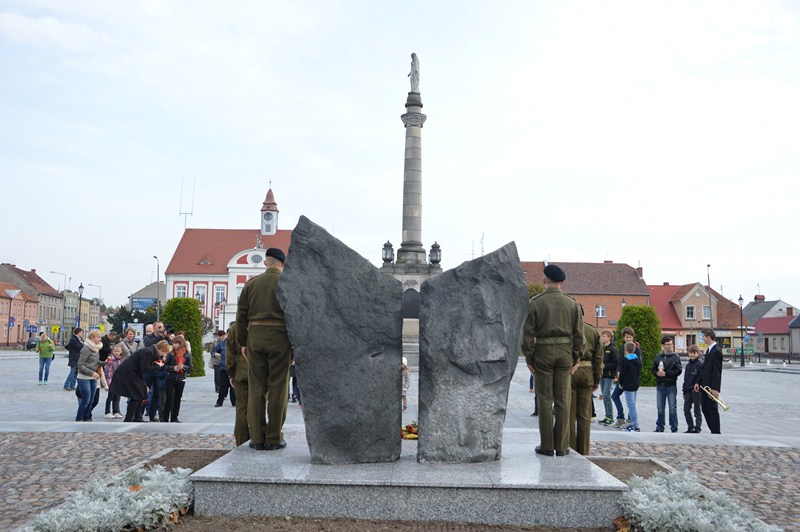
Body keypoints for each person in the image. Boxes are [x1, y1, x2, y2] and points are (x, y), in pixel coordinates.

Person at [521, 263, 584, 457]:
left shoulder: (536, 302)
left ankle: (547, 446)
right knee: (564, 400)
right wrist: (576, 357)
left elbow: (528, 333)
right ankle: (562, 446)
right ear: (562, 282)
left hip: (542, 353)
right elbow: (579, 335)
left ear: (544, 280)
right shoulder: (572, 303)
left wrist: (529, 357)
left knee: (545, 400)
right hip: (565, 353)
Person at [237, 247, 292, 451]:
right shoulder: (288, 284)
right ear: (282, 264)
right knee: (278, 388)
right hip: (280, 337)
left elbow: (241, 316)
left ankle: (257, 438)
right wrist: (294, 346)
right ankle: (274, 437)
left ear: (265, 262)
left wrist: (243, 342)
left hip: (255, 337)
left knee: (256, 388)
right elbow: (295, 316)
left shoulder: (251, 284)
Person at [110, 340, 170, 422]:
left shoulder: (151, 351)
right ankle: (129, 419)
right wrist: (157, 366)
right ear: (161, 350)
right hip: (128, 372)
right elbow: (145, 368)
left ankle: (137, 417)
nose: (164, 355)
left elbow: (143, 368)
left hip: (132, 372)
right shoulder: (149, 352)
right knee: (136, 395)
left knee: (140, 393)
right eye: (164, 352)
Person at [569, 320, 602, 455]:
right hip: (588, 372)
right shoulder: (592, 330)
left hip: (570, 371)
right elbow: (599, 357)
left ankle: (569, 448)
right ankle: (583, 450)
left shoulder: (567, 328)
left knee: (569, 413)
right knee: (584, 415)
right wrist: (597, 378)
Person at [226, 322, 252, 446]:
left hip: (241, 370)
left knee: (242, 408)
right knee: (258, 407)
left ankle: (241, 441)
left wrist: (231, 373)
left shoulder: (235, 328)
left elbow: (230, 354)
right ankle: (256, 439)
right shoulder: (258, 324)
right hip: (259, 370)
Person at [611, 327, 641, 428]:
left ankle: (631, 421)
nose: (628, 339)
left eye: (630, 337)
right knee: (615, 396)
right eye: (627, 337)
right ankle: (620, 418)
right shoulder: (622, 348)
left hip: (630, 379)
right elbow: (620, 361)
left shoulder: (636, 349)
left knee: (631, 402)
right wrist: (618, 371)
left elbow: (638, 365)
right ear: (624, 338)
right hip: (622, 377)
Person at [652, 335, 682, 433]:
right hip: (660, 385)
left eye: (671, 344)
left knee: (672, 408)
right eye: (668, 344)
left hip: (671, 385)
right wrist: (656, 373)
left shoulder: (675, 356)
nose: (670, 346)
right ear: (663, 345)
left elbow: (679, 370)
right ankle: (660, 426)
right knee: (660, 408)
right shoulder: (658, 356)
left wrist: (667, 374)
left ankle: (674, 427)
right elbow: (653, 369)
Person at [696, 328, 723, 434]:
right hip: (704, 385)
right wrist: (698, 382)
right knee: (705, 409)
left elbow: (717, 371)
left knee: (712, 410)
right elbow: (704, 369)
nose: (702, 339)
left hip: (711, 387)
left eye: (703, 336)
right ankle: (713, 430)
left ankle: (716, 432)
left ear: (708, 337)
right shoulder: (709, 349)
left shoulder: (716, 351)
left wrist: (715, 388)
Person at [75, 329, 103, 422]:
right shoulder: (86, 348)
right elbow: (80, 365)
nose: (100, 339)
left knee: (91, 400)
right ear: (92, 337)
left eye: (100, 337)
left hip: (93, 377)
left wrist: (103, 362)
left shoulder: (96, 348)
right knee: (86, 400)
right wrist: (92, 372)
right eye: (98, 337)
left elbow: (93, 362)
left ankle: (87, 417)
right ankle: (79, 418)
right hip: (84, 377)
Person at [163, 334, 192, 422]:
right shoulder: (171, 354)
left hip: (181, 378)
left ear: (181, 344)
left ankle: (174, 418)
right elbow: (165, 366)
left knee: (177, 399)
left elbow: (190, 368)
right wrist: (173, 368)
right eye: (174, 343)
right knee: (169, 399)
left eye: (177, 343)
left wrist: (183, 367)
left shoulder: (187, 354)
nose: (175, 345)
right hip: (170, 378)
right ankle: (165, 418)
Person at [618, 341, 641, 432]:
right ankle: (633, 424)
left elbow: (622, 373)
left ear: (625, 349)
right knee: (633, 405)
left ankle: (635, 425)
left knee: (631, 406)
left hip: (628, 384)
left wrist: (621, 383)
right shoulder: (637, 359)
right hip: (635, 383)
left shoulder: (624, 360)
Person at [598, 330, 618, 426]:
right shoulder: (602, 348)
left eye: (604, 336)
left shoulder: (612, 349)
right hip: (602, 375)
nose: (602, 338)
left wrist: (605, 366)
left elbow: (615, 363)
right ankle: (607, 416)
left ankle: (610, 417)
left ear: (609, 337)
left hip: (609, 375)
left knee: (607, 395)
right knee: (604, 395)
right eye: (602, 336)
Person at [683, 344, 704, 433]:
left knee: (697, 410)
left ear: (698, 354)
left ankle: (698, 427)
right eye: (691, 353)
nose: (693, 354)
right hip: (688, 390)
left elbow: (701, 377)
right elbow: (686, 378)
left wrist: (698, 384)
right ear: (689, 353)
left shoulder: (700, 365)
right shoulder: (688, 365)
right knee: (686, 409)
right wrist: (684, 391)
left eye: (695, 353)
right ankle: (690, 426)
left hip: (696, 391)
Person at [214, 330, 235, 408]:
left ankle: (234, 402)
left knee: (233, 386)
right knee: (223, 386)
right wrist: (215, 353)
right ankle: (219, 402)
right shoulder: (222, 343)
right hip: (223, 367)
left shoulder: (236, 344)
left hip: (233, 368)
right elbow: (214, 350)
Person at [103, 344, 124, 418]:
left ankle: (116, 411)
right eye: (115, 351)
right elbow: (108, 371)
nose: (117, 353)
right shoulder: (110, 360)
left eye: (118, 351)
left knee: (117, 397)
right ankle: (107, 411)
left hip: (118, 381)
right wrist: (109, 382)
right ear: (112, 352)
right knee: (110, 397)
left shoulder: (121, 360)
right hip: (111, 381)